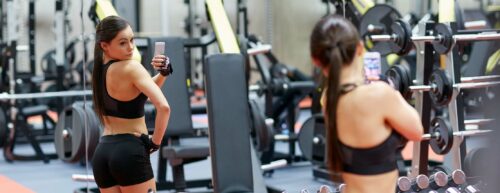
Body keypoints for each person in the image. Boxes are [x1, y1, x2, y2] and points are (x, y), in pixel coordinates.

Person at [309, 15, 424, 193]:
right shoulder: (381, 94)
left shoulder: (328, 101)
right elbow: (417, 131)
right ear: (360, 48)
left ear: (315, 60)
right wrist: (391, 89)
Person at [91, 15, 171, 193]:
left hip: (103, 154)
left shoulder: (98, 72)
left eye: (132, 40)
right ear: (104, 45)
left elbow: (136, 94)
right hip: (129, 154)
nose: (131, 47)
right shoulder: (132, 68)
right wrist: (155, 143)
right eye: (122, 43)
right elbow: (164, 108)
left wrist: (163, 74)